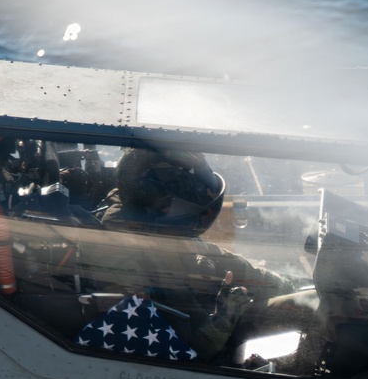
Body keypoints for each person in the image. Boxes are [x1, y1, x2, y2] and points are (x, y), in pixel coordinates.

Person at [81, 147, 293, 361]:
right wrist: (227, 311)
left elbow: (225, 261)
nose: (195, 218)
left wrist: (283, 283)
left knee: (304, 301)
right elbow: (187, 347)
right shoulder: (121, 257)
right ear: (159, 205)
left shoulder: (162, 230)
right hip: (203, 356)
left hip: (215, 325)